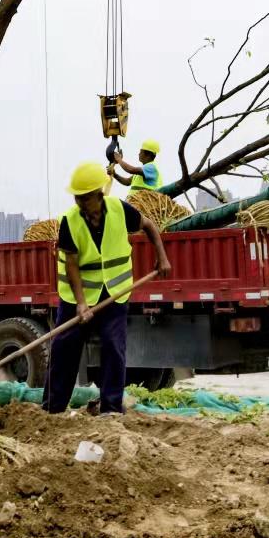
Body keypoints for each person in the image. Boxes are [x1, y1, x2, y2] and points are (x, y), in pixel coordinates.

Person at [43, 162, 172, 416]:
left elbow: (148, 225)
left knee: (114, 346)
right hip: (75, 296)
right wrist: (81, 303)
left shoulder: (119, 209)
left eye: (85, 198)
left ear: (99, 195)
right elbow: (71, 265)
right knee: (64, 348)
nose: (80, 203)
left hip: (114, 292)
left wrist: (162, 257)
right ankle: (53, 408)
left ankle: (112, 408)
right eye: (77, 197)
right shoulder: (70, 221)